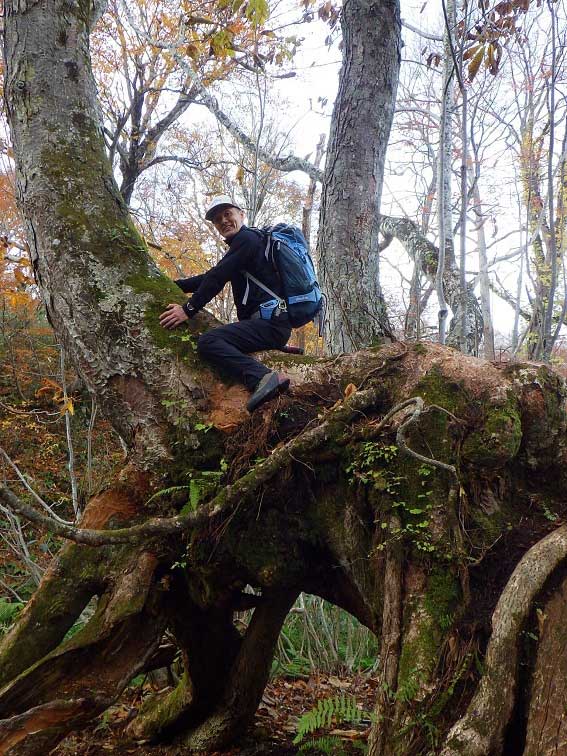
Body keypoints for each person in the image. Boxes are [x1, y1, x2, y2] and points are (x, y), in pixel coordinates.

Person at [159, 195, 291, 412]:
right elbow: (210, 276)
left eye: (227, 214)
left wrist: (188, 310)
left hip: (271, 325)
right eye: (217, 219)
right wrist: (174, 285)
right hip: (269, 324)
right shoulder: (244, 246)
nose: (223, 221)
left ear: (241, 214)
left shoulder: (247, 239)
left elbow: (217, 277)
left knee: (209, 342)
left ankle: (263, 378)